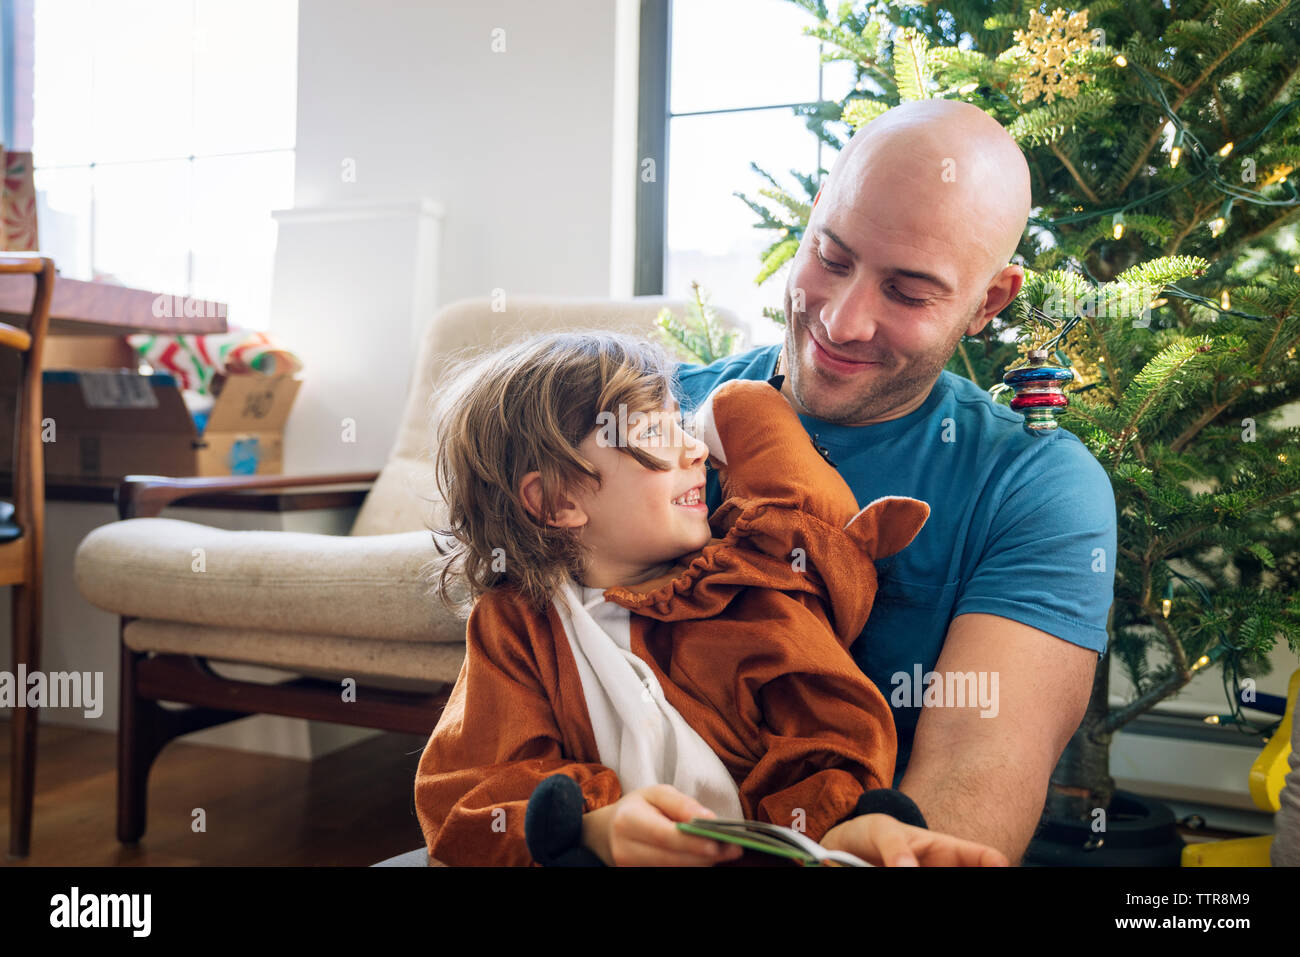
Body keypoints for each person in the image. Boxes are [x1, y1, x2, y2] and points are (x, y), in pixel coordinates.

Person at [673, 99, 1118, 865]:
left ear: (989, 302)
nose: (842, 322)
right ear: (812, 219)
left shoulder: (1036, 488)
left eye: (910, 293)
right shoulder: (657, 412)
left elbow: (972, 781)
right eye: (832, 258)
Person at [414, 330, 1008, 867]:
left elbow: (824, 736)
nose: (696, 450)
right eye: (652, 432)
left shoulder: (745, 593)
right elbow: (472, 787)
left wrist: (844, 830)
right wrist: (590, 830)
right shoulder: (517, 624)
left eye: (683, 425)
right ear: (554, 503)